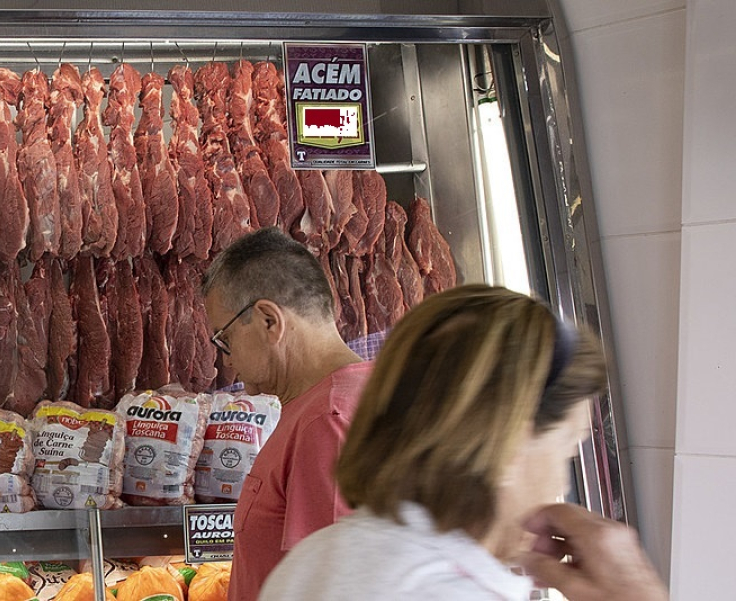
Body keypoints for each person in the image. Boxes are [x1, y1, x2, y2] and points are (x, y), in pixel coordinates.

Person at [258, 284, 668, 600]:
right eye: (569, 448)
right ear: (509, 444)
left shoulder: (316, 558)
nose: (560, 482)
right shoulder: (451, 591)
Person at [200, 227, 373, 601]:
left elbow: (335, 590)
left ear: (268, 321)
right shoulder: (335, 401)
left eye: (224, 339)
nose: (225, 360)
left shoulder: (326, 420)